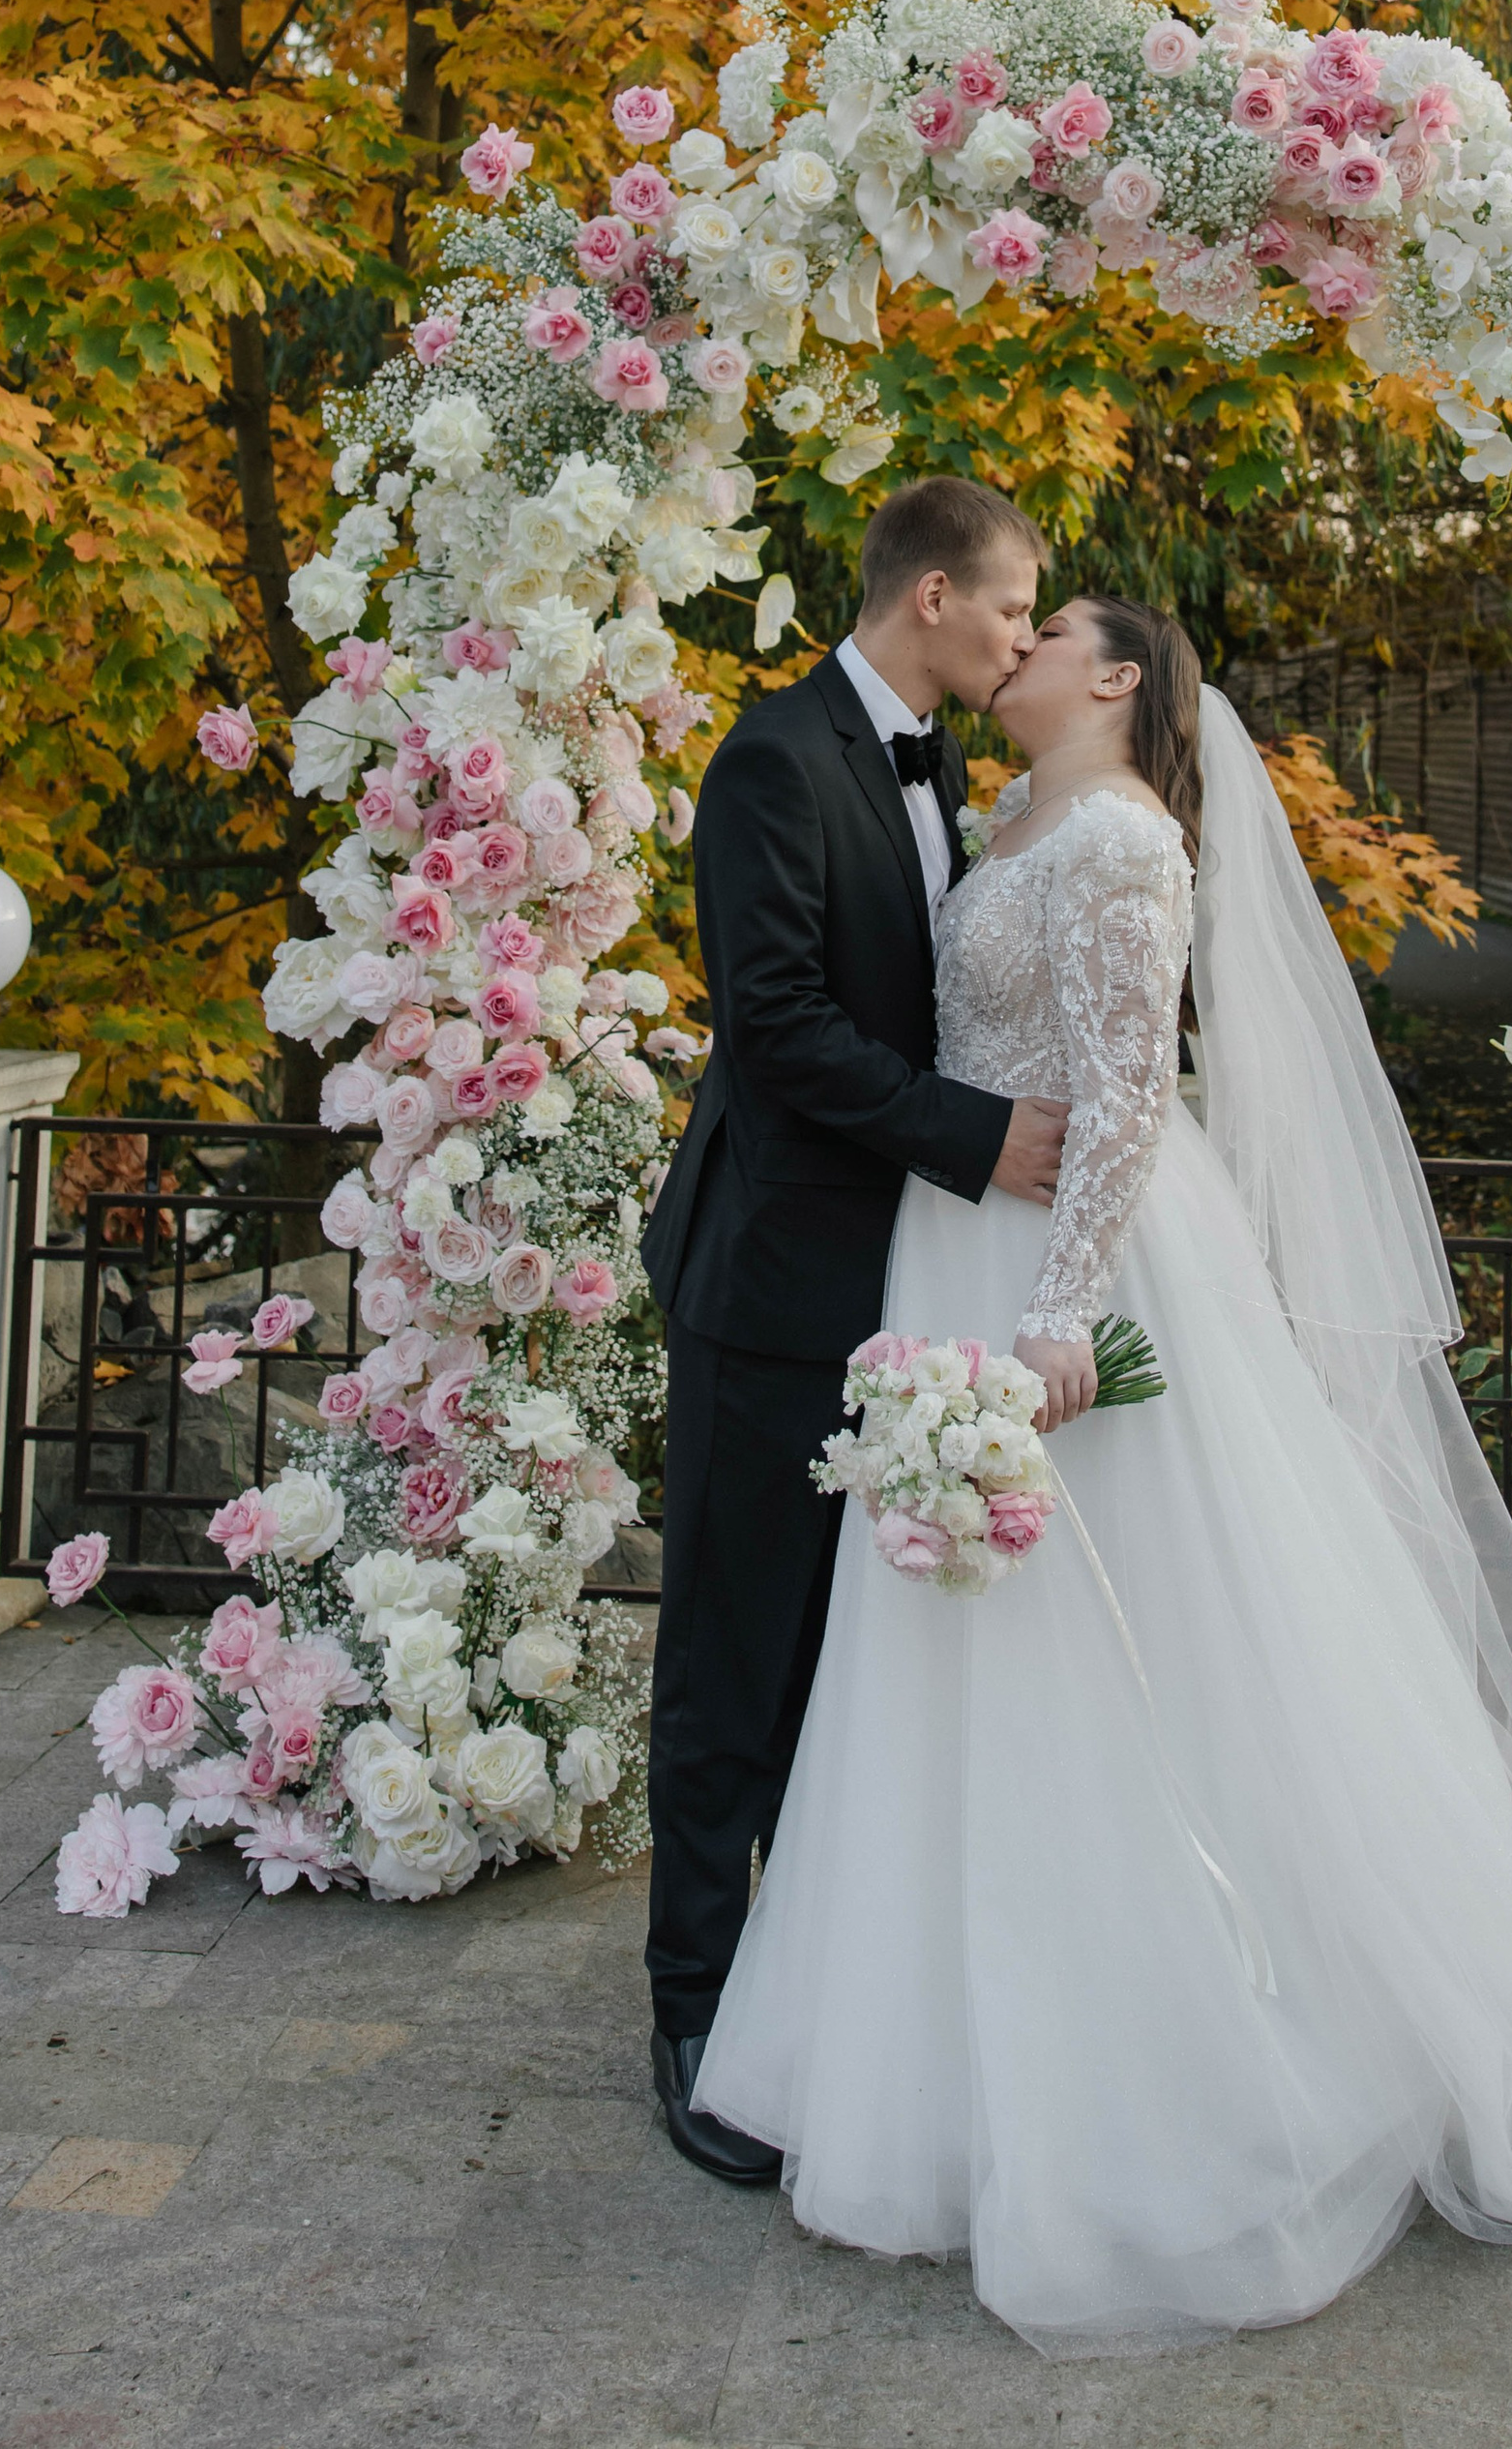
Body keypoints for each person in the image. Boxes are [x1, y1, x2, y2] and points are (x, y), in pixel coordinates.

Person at [690, 594, 1512, 2349]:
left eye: (1052, 633)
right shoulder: (1009, 815)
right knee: (961, 1656)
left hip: (1079, 1272)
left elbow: (1126, 1088)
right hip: (948, 1249)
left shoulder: (1124, 838)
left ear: (1115, 680)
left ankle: (1179, 2047)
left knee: (1140, 1654)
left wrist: (1059, 1317)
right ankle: (938, 2051)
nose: (1019, 648)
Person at [637, 475, 1070, 2181]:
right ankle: (688, 2016)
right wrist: (982, 1141)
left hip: (898, 1292)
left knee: (842, 1671)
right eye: (1017, 601)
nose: (1029, 632)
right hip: (772, 1279)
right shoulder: (769, 759)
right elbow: (782, 1027)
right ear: (938, 592)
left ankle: (809, 2002)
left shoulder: (941, 766)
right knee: (733, 1660)